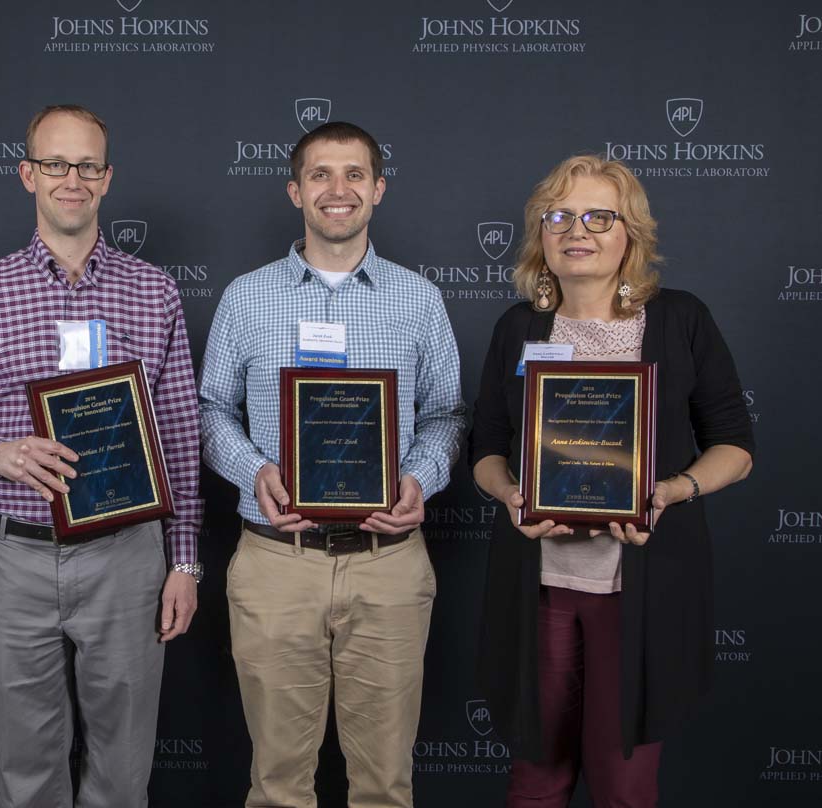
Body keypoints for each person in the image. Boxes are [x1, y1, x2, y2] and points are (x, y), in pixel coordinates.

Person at [0, 104, 203, 808]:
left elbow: (177, 434)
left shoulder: (154, 290)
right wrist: (0, 454)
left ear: (107, 178)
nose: (71, 179)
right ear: (28, 174)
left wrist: (183, 561)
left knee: (122, 773)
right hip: (15, 558)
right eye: (55, 163)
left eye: (87, 165)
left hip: (126, 557)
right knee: (27, 773)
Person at [469, 154, 754, 807]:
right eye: (561, 215)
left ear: (631, 233)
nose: (579, 230)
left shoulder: (680, 320)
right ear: (541, 233)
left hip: (641, 588)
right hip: (538, 584)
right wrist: (510, 492)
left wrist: (673, 491)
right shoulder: (519, 327)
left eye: (601, 216)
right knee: (536, 780)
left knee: (623, 783)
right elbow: (485, 447)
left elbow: (736, 446)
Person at [199, 121, 464, 808]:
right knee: (279, 782)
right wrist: (252, 467)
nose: (337, 190)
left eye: (354, 175)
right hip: (275, 561)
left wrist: (422, 477)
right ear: (295, 190)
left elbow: (444, 415)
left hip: (389, 561)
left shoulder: (420, 300)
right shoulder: (245, 297)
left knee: (383, 784)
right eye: (320, 175)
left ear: (378, 189)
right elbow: (209, 412)